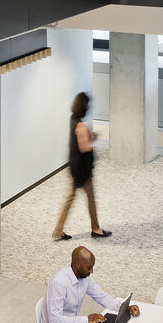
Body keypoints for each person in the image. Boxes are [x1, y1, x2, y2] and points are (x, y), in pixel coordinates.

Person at [52, 92, 109, 241]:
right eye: (88, 104)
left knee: (71, 197)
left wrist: (90, 136)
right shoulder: (81, 126)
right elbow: (85, 147)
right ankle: (96, 229)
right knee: (91, 198)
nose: (89, 107)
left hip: (74, 165)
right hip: (83, 170)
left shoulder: (73, 120)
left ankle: (59, 228)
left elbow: (80, 141)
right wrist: (92, 139)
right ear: (84, 106)